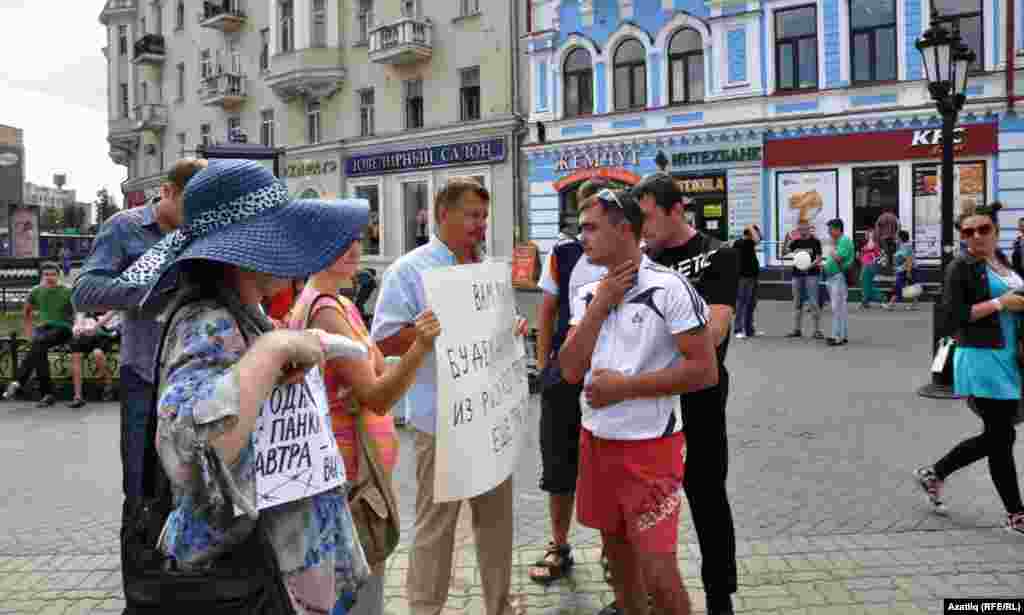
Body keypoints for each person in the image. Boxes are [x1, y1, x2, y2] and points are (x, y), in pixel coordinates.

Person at [114, 159, 374, 611]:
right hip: (251, 581)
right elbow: (187, 451)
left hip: (274, 577)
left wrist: (275, 360)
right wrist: (273, 350)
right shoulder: (206, 321)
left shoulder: (241, 314)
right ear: (250, 248)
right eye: (280, 234)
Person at [559, 189, 718, 615]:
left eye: (591, 227)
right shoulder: (588, 292)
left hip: (651, 448)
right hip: (597, 441)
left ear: (624, 229)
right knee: (619, 563)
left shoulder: (670, 287)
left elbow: (705, 371)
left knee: (659, 574)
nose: (582, 236)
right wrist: (601, 304)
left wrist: (624, 388)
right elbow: (570, 370)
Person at [371, 177, 523, 615]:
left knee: (496, 524)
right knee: (435, 527)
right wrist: (431, 332)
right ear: (443, 214)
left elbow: (499, 327)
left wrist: (511, 328)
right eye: (472, 215)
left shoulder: (485, 268)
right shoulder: (410, 270)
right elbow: (383, 339)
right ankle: (425, 608)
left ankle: (499, 606)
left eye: (484, 217)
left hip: (488, 415)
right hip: (440, 422)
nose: (481, 225)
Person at [71, 158, 207, 606]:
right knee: (142, 492)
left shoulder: (201, 229)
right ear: (167, 192)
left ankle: (184, 587)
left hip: (194, 378)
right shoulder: (125, 227)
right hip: (145, 377)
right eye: (189, 204)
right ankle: (141, 596)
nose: (195, 214)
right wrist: (150, 282)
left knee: (191, 488)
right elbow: (86, 292)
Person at [288, 232, 442, 615]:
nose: (354, 249)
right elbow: (379, 395)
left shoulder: (342, 304)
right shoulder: (325, 310)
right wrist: (420, 347)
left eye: (357, 237)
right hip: (349, 480)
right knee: (359, 595)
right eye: (341, 239)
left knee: (362, 586)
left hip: (359, 475)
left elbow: (378, 371)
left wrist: (383, 375)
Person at [631, 173, 740, 615]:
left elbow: (715, 331)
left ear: (676, 210)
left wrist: (659, 342)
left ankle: (719, 594)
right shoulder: (641, 260)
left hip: (700, 395)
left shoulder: (717, 254)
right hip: (652, 399)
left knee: (707, 493)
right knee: (647, 500)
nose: (642, 228)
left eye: (648, 217)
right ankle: (647, 591)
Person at [916, 203, 1024, 535]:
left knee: (999, 435)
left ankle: (935, 473)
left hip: (1010, 357)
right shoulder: (960, 267)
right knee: (1001, 436)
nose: (976, 236)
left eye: (983, 229)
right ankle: (1016, 515)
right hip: (980, 357)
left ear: (995, 231)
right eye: (968, 232)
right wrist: (1000, 303)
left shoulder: (1003, 261)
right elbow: (954, 316)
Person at [529, 179, 607, 586]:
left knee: (609, 464)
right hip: (564, 374)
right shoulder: (563, 253)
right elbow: (546, 311)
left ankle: (614, 550)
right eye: (587, 209)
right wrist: (545, 366)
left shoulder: (632, 251)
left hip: (609, 376)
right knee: (558, 462)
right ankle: (559, 544)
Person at [3, 262, 74, 407]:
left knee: (38, 344)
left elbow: (78, 311)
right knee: (39, 350)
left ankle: (19, 382)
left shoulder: (68, 291)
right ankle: (47, 395)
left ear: (59, 275)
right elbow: (26, 312)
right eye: (46, 274)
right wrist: (29, 332)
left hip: (63, 328)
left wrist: (78, 326)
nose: (50, 277)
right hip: (43, 330)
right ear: (42, 276)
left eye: (53, 274)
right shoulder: (36, 291)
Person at [67, 310, 119, 408]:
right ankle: (78, 397)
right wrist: (79, 326)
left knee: (97, 353)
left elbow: (112, 312)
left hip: (104, 331)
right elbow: (80, 311)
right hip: (86, 329)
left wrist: (96, 327)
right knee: (76, 355)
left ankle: (108, 383)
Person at [783, 223, 823, 339]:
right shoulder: (795, 242)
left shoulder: (815, 241)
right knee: (797, 302)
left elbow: (819, 258)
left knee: (813, 302)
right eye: (800, 229)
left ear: (809, 229)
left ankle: (817, 330)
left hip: (812, 275)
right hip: (797, 275)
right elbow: (784, 253)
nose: (802, 231)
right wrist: (786, 240)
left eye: (805, 229)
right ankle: (797, 330)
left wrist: (808, 266)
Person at [822, 219, 854, 347]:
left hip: (838, 277)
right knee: (839, 307)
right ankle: (841, 335)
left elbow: (839, 258)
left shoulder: (844, 240)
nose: (829, 232)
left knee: (837, 307)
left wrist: (832, 251)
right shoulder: (839, 241)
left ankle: (837, 336)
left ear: (837, 229)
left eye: (830, 229)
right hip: (834, 277)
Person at [734, 225, 762, 339]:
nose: (757, 235)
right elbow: (758, 239)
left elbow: (759, 238)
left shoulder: (749, 242)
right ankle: (738, 330)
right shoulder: (741, 242)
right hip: (743, 278)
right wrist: (751, 227)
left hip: (753, 277)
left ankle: (749, 330)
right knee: (742, 303)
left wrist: (752, 230)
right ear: (750, 234)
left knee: (751, 304)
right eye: (756, 233)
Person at [886, 231, 917, 311]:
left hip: (905, 270)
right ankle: (914, 305)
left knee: (898, 287)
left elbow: (909, 260)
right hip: (902, 270)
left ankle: (890, 305)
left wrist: (908, 272)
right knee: (910, 287)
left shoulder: (907, 247)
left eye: (897, 236)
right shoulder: (902, 246)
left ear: (901, 238)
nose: (896, 238)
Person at [859, 229, 884, 308]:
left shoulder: (873, 244)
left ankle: (880, 300)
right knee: (866, 284)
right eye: (866, 234)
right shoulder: (868, 244)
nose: (865, 235)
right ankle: (865, 301)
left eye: (867, 234)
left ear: (871, 235)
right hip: (866, 265)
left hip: (869, 266)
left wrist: (874, 261)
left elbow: (878, 255)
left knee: (867, 285)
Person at [874, 207, 900, 272]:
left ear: (883, 211)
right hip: (892, 238)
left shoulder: (881, 217)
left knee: (885, 252)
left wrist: (877, 239)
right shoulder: (894, 217)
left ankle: (885, 268)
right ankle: (891, 267)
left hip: (883, 238)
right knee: (891, 253)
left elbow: (877, 229)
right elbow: (898, 227)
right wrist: (896, 236)